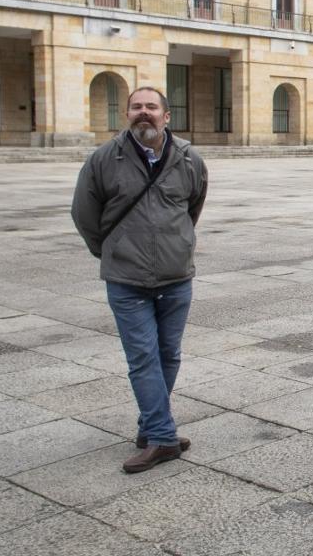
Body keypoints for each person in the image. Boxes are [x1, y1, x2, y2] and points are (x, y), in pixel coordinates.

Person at [71, 86, 208, 474]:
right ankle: (163, 438)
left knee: (169, 355)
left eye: (151, 107)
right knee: (143, 357)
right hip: (126, 279)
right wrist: (112, 251)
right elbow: (84, 214)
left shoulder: (189, 159)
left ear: (167, 116)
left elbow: (191, 209)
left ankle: (151, 425)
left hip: (175, 277)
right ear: (126, 115)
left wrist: (176, 246)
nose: (143, 112)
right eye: (136, 107)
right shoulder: (103, 159)